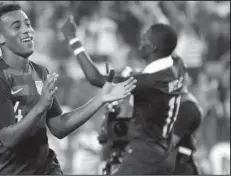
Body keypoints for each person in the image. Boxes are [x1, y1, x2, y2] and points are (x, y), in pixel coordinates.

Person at [0, 4, 136, 175]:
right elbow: (8, 139)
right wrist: (41, 106)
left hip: (46, 168)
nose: (27, 30)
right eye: (17, 26)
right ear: (0, 38)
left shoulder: (40, 72)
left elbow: (58, 127)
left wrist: (100, 99)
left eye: (28, 24)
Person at [61, 16, 186, 174]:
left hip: (144, 156)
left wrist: (73, 39)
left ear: (154, 47)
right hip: (165, 153)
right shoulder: (178, 68)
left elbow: (96, 78)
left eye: (145, 39)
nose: (141, 42)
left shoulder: (146, 82)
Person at [172, 71, 203, 175]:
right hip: (172, 164)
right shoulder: (174, 103)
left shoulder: (187, 106)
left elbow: (171, 141)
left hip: (181, 165)